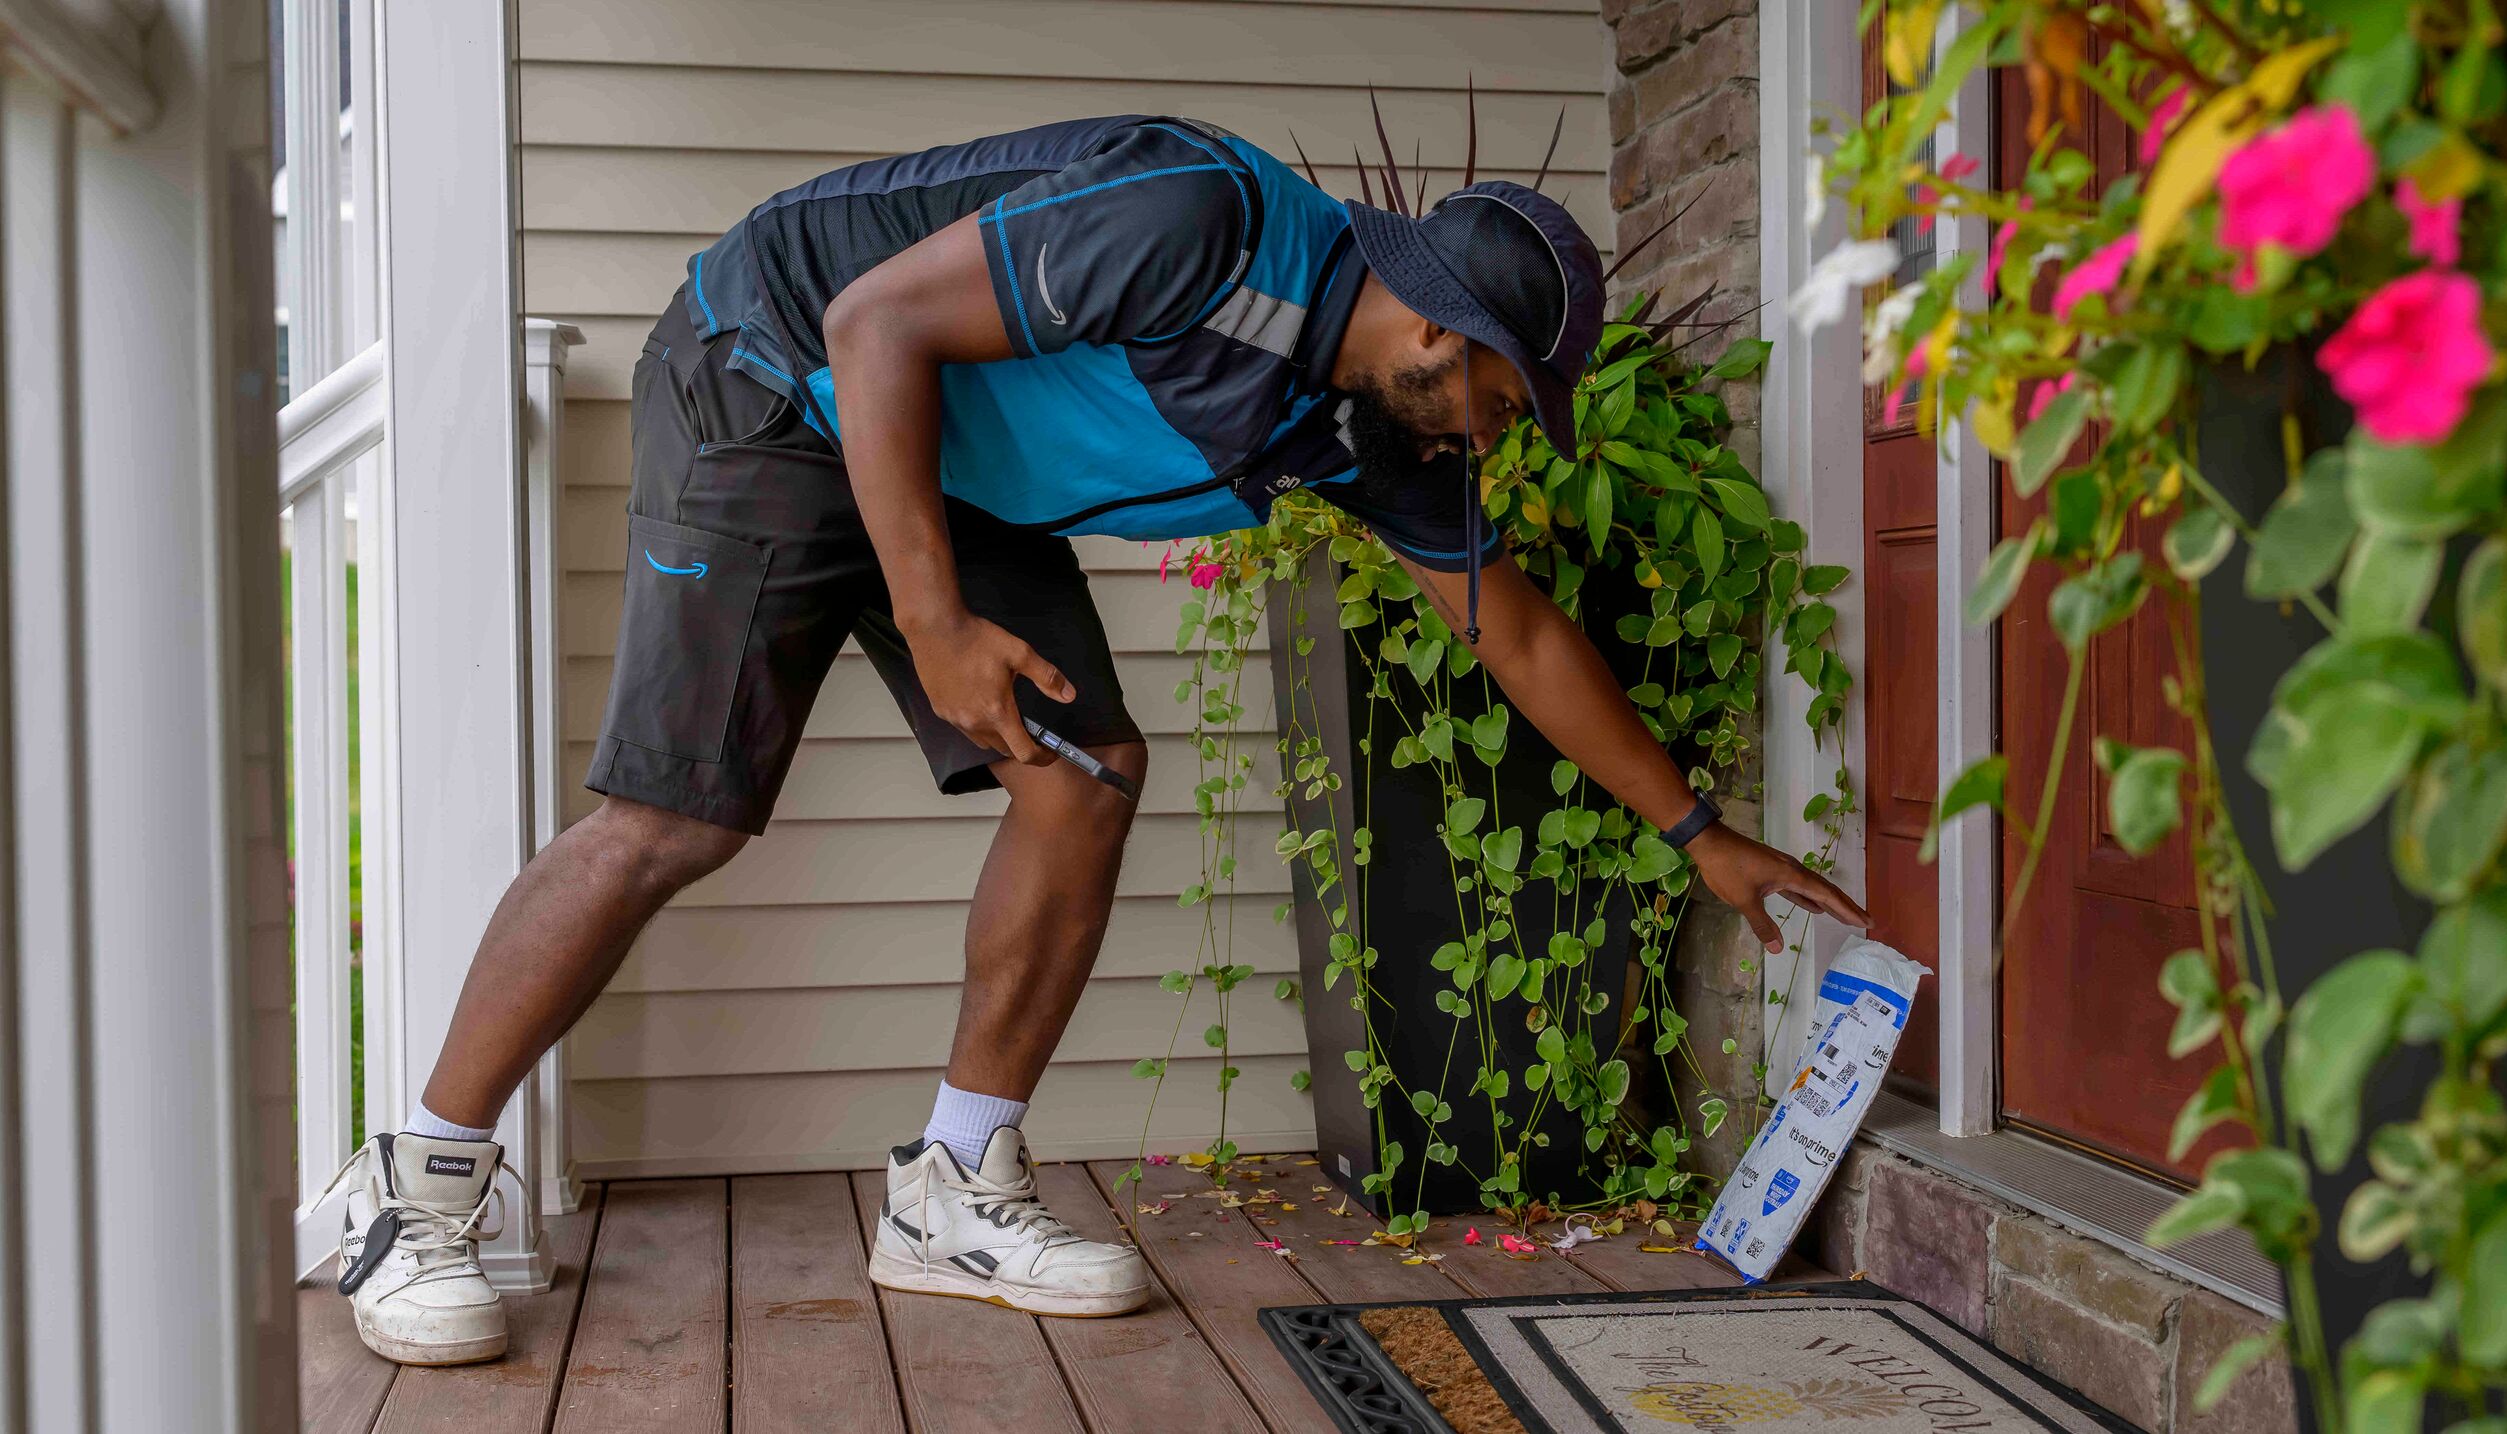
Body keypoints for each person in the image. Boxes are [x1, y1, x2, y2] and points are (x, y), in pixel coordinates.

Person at [326, 113, 1872, 1365]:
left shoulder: (1364, 429)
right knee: (678, 818)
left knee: (1085, 772)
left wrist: (1699, 836)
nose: (1496, 428)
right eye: (1497, 392)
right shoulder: (1200, 218)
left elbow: (1514, 627)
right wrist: (934, 626)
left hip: (946, 459)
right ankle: (423, 1183)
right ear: (1433, 323)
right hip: (772, 375)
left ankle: (951, 1187)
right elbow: (874, 324)